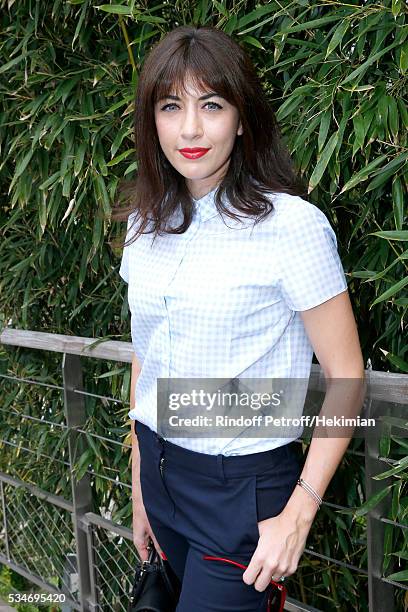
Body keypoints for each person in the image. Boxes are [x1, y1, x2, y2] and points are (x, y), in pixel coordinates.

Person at [114, 25, 365, 612]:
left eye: (212, 105)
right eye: (171, 106)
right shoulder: (143, 225)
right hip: (159, 469)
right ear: (152, 122)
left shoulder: (291, 227)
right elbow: (145, 355)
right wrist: (140, 481)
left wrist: (299, 512)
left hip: (243, 490)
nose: (191, 128)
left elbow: (347, 375)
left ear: (242, 116)